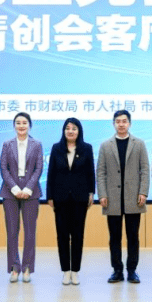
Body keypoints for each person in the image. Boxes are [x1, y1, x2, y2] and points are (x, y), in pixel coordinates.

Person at [96, 110, 149, 284]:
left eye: (124, 121)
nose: (121, 124)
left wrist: (143, 192)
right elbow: (101, 172)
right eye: (118, 121)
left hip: (134, 197)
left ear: (129, 123)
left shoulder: (139, 144)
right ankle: (117, 270)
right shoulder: (105, 145)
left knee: (133, 236)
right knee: (114, 237)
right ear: (113, 124)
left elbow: (145, 170)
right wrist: (102, 194)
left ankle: (132, 270)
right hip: (112, 198)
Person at [46, 117, 95, 286]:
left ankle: (75, 271)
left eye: (74, 128)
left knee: (78, 235)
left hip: (80, 198)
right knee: (62, 236)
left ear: (79, 131)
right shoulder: (56, 148)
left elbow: (90, 173)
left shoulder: (87, 148)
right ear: (64, 131)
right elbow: (51, 173)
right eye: (68, 128)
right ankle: (65, 271)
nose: (70, 131)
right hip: (60, 198)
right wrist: (50, 196)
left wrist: (91, 193)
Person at [0, 112, 43, 283]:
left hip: (31, 193)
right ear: (14, 125)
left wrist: (28, 188)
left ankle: (27, 268)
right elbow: (4, 169)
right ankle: (14, 268)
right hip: (10, 193)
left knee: (30, 232)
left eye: (24, 122)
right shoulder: (7, 144)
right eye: (18, 123)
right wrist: (15, 188)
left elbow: (38, 168)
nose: (21, 125)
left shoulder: (37, 144)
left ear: (29, 125)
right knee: (12, 232)